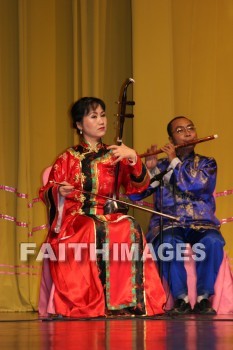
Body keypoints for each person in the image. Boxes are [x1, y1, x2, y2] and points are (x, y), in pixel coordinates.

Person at [39, 97, 166, 318]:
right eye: (93, 116)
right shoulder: (68, 158)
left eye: (103, 115)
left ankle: (127, 302)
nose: (101, 121)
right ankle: (95, 301)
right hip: (77, 217)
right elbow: (48, 189)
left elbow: (136, 190)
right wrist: (59, 191)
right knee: (93, 227)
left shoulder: (114, 154)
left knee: (130, 224)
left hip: (108, 214)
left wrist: (134, 159)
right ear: (79, 125)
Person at [130, 116, 225, 315]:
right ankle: (180, 299)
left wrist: (174, 161)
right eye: (180, 130)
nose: (188, 133)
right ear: (171, 139)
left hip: (202, 223)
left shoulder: (207, 164)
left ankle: (203, 298)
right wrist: (148, 171)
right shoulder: (161, 166)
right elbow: (136, 194)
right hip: (168, 224)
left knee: (214, 241)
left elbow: (196, 185)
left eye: (190, 128)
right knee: (169, 243)